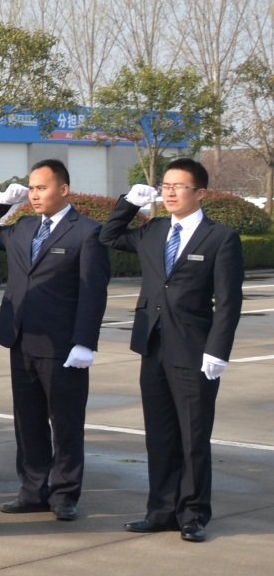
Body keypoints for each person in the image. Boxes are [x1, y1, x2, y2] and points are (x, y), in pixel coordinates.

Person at [102, 160, 244, 542]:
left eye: (178, 186)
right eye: (165, 185)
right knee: (159, 434)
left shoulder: (220, 238)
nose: (168, 192)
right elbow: (108, 236)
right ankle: (161, 510)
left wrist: (218, 350)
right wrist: (129, 204)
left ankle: (193, 514)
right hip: (153, 346)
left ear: (200, 194)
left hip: (195, 351)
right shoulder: (154, 230)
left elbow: (229, 302)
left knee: (193, 435)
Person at [0, 161, 110, 522]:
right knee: (28, 421)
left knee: (66, 423)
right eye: (31, 188)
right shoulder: (22, 227)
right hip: (21, 338)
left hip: (63, 345)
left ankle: (65, 493)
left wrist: (85, 341)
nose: (34, 194)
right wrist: (0, 203)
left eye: (41, 188)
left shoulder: (86, 232)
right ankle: (32, 490)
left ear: (64, 189)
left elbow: (93, 292)